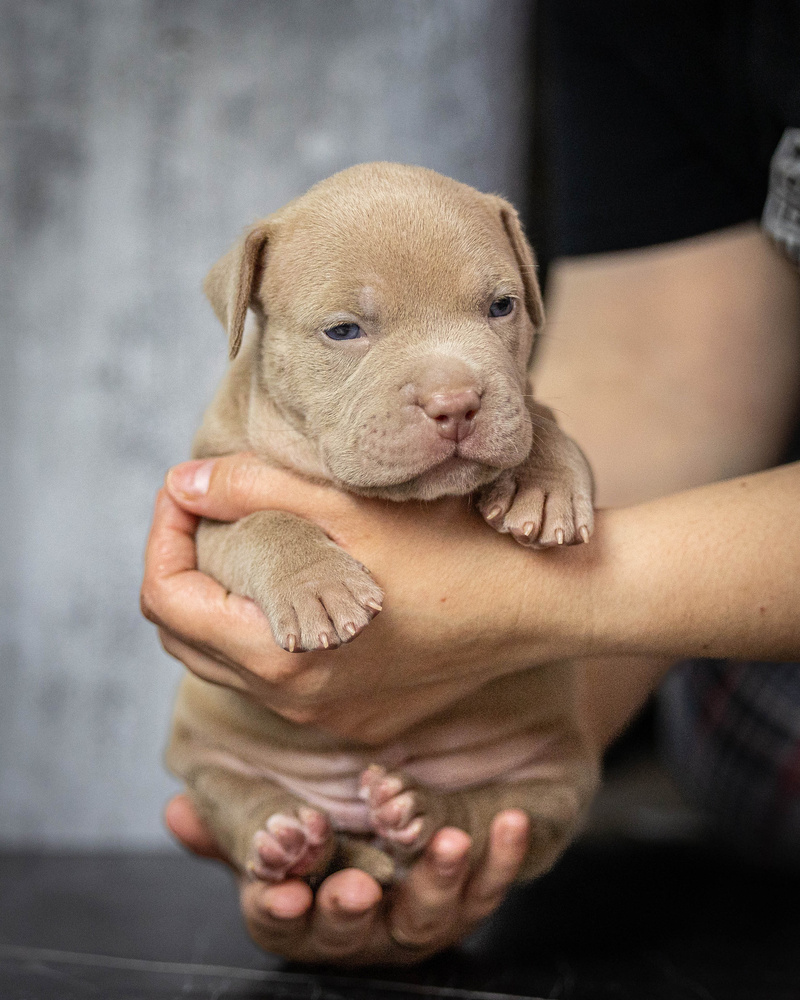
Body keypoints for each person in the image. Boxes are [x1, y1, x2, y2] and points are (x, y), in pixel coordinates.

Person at [141, 0, 800, 965]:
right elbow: (659, 370)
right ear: (247, 315)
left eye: (495, 310)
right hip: (738, 762)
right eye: (346, 330)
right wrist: (282, 559)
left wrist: (532, 579)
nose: (454, 388)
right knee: (232, 773)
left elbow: (549, 500)